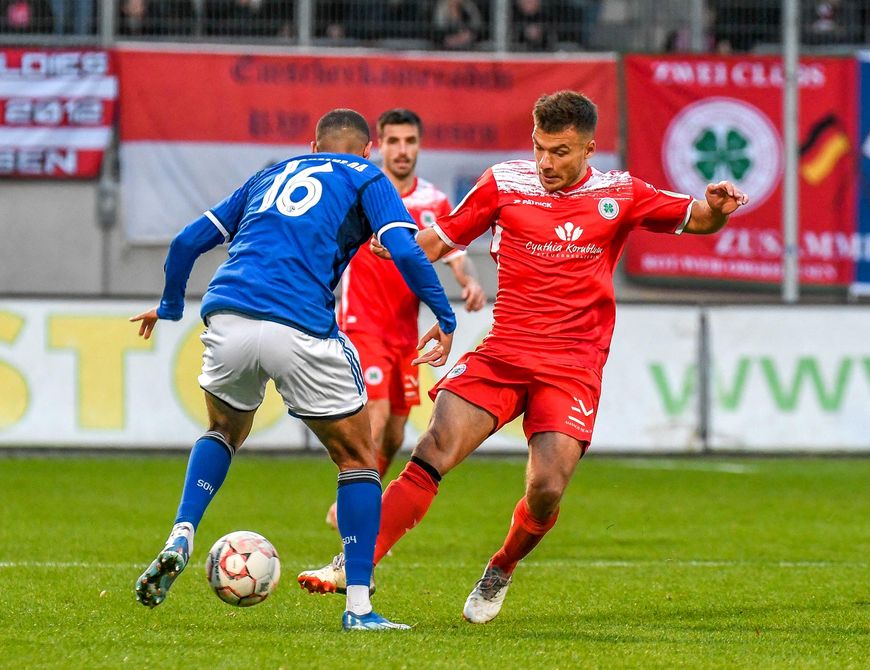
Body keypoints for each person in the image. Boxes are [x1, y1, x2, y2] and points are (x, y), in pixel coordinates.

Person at [297, 91, 749, 623]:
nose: (545, 162)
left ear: (588, 149)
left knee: (546, 489)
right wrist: (397, 245)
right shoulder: (503, 184)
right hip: (504, 353)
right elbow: (440, 240)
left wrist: (716, 209)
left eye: (560, 152)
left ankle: (502, 565)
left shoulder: (620, 193)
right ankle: (355, 565)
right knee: (433, 448)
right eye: (539, 147)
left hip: (572, 367)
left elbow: (696, 218)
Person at [131, 108, 457, 631]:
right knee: (359, 459)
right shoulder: (366, 176)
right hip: (299, 325)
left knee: (222, 431)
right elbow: (405, 250)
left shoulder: (270, 175)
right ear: (368, 150)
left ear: (313, 147)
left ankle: (182, 532)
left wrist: (169, 307)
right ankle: (359, 607)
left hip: (228, 315)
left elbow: (185, 243)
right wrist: (445, 315)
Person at [323, 108, 486, 529]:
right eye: (393, 141)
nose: (401, 150)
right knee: (375, 419)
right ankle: (355, 513)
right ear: (379, 146)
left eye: (409, 141)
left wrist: (469, 282)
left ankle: (359, 497)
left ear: (418, 146)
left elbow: (455, 255)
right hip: (362, 326)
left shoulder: (433, 201)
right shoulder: (363, 191)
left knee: (395, 434)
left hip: (404, 335)